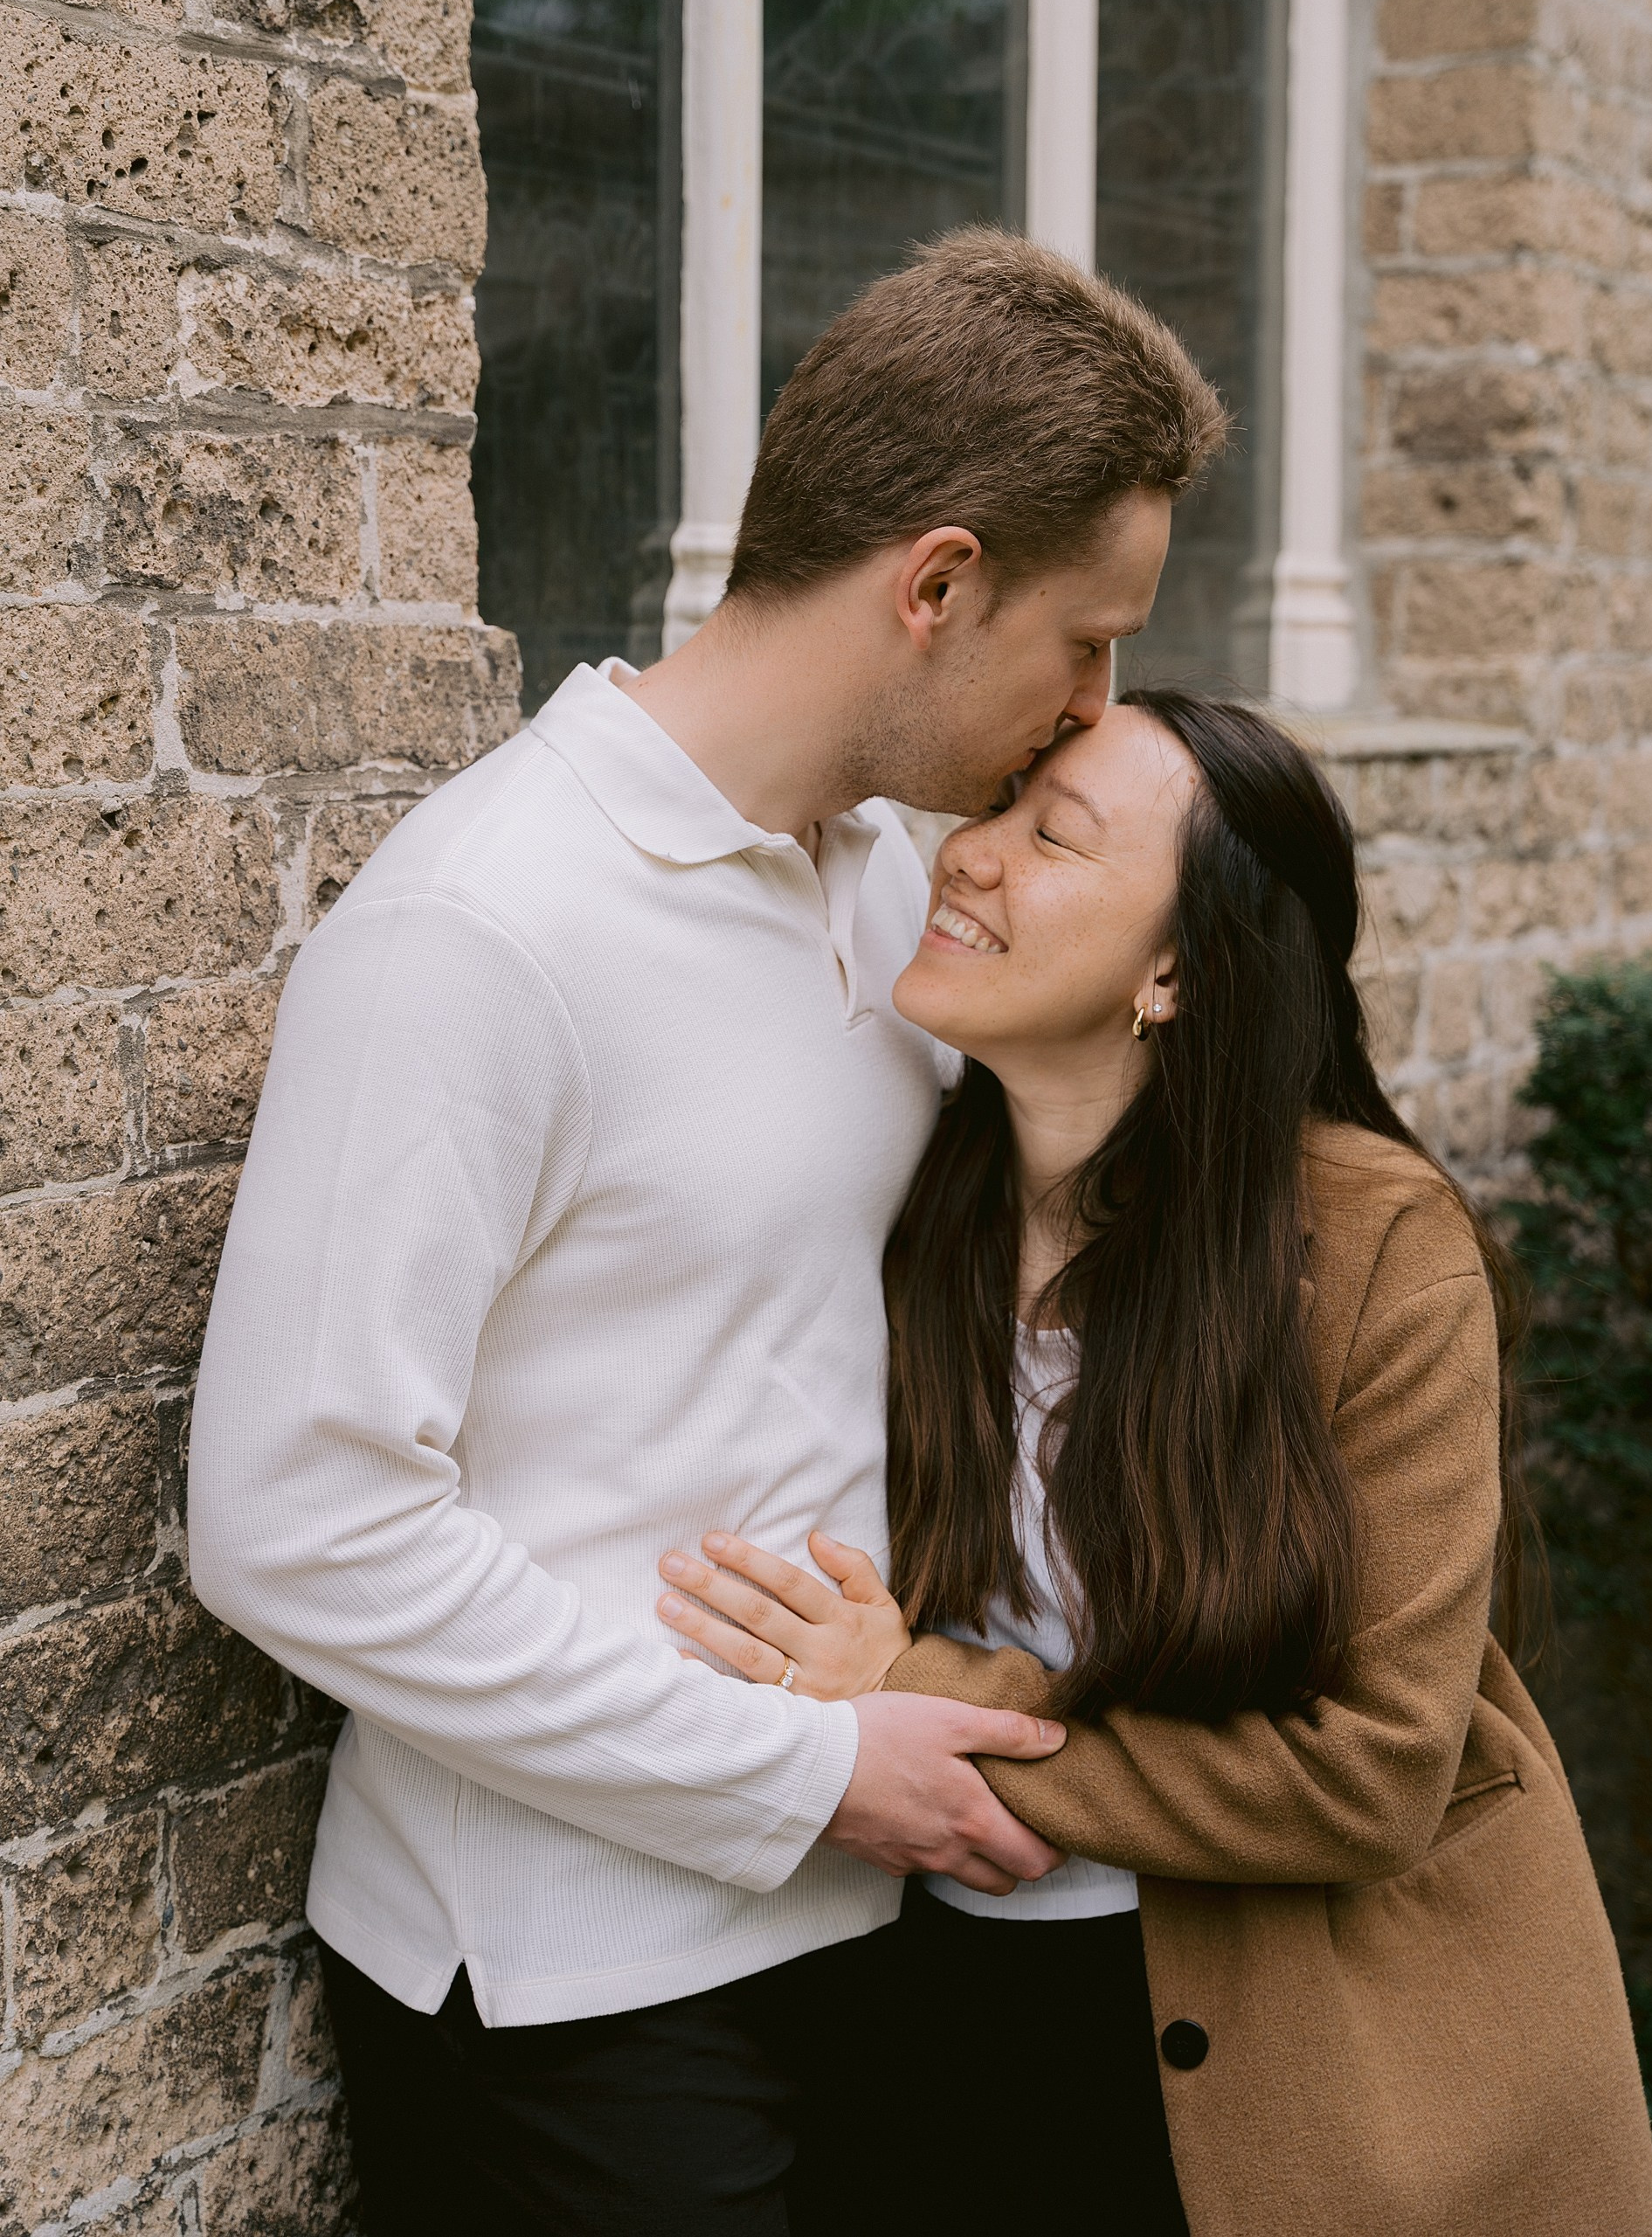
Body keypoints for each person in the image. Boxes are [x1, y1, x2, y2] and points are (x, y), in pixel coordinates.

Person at [186, 232, 1227, 2234]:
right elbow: (295, 1517)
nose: (1094, 706)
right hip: (582, 1992)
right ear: (934, 585)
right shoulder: (481, 927)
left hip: (872, 1915)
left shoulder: (888, 887)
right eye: (1084, 642)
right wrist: (800, 1770)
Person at [655, 691, 1652, 2237]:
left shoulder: (1377, 1245)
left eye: (1052, 836)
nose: (971, 856)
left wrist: (930, 1684)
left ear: (1175, 972)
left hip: (1309, 2057)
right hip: (937, 1991)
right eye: (994, 806)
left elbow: (1371, 1774)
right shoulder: (907, 1198)